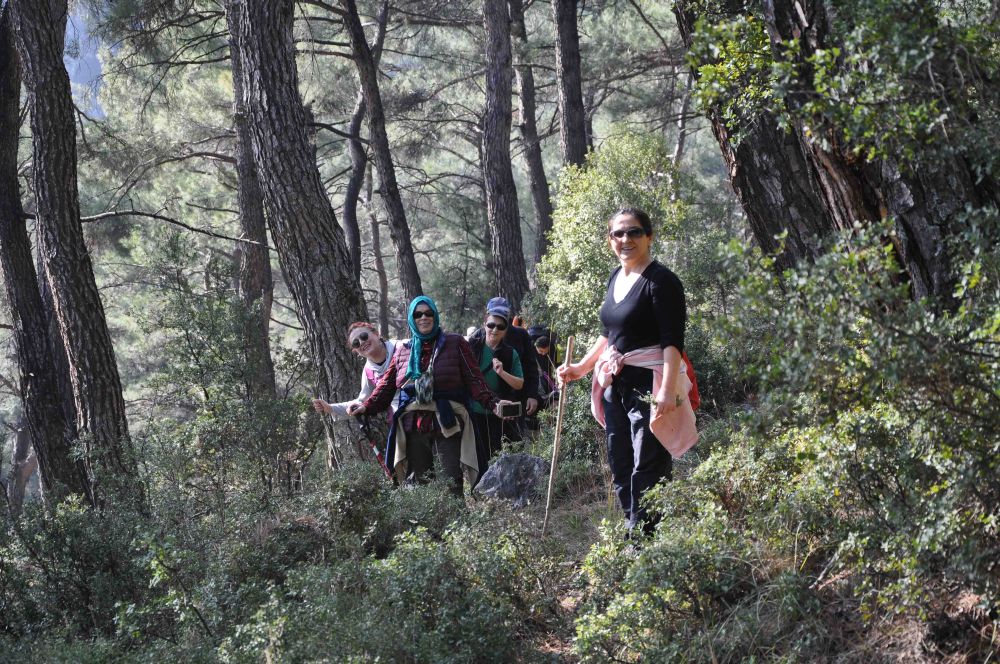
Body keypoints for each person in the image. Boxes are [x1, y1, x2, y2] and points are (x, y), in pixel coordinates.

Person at [557, 207, 689, 537]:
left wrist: (667, 391)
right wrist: (581, 368)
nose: (625, 239)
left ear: (649, 237)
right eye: (618, 234)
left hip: (650, 382)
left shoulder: (662, 281)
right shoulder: (616, 278)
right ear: (610, 240)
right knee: (620, 461)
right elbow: (609, 336)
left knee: (648, 461)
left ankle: (646, 539)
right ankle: (633, 531)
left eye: (634, 232)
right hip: (615, 384)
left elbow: (672, 342)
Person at [348, 296, 516, 496]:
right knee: (422, 484)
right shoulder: (403, 350)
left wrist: (494, 403)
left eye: (428, 313)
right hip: (413, 426)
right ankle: (430, 527)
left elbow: (474, 379)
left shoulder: (455, 343)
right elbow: (385, 386)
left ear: (435, 315)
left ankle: (459, 522)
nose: (423, 318)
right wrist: (366, 406)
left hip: (447, 420)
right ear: (412, 318)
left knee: (451, 480)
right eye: (418, 314)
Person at [467, 300, 524, 474]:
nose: (494, 330)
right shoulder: (472, 346)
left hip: (499, 414)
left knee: (498, 456)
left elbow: (519, 384)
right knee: (477, 458)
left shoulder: (509, 353)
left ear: (505, 330)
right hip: (473, 412)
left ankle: (498, 497)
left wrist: (502, 373)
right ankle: (478, 494)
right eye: (491, 325)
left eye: (500, 327)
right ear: (485, 323)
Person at [468, 297, 540, 423]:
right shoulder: (476, 339)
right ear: (487, 317)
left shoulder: (520, 335)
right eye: (491, 324)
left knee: (511, 440)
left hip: (513, 400)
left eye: (504, 313)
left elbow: (531, 367)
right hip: (481, 404)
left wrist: (532, 395)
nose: (495, 329)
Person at [311, 322, 399, 419]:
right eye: (356, 343)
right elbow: (362, 402)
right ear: (356, 352)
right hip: (402, 421)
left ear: (377, 334)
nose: (361, 342)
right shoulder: (369, 372)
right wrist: (331, 408)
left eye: (364, 336)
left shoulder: (402, 347)